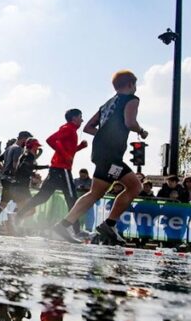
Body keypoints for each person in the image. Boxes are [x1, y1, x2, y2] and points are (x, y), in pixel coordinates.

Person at [52, 70, 148, 245]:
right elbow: (130, 122)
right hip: (112, 154)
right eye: (135, 84)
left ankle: (65, 225)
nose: (136, 88)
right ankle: (108, 224)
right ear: (130, 84)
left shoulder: (107, 104)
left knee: (96, 193)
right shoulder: (132, 99)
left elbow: (88, 127)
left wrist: (104, 136)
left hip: (100, 152)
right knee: (134, 186)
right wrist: (141, 131)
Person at [16, 109, 87, 223]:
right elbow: (51, 140)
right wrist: (65, 156)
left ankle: (18, 215)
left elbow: (67, 150)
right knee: (72, 198)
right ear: (74, 118)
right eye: (80, 117)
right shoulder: (68, 128)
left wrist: (80, 147)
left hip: (57, 168)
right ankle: (74, 230)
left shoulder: (70, 129)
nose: (82, 120)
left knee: (43, 196)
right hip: (63, 169)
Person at [0, 131, 32, 234]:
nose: (27, 143)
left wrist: (4, 171)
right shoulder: (18, 149)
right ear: (23, 138)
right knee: (24, 205)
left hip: (5, 180)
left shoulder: (10, 148)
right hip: (13, 181)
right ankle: (17, 229)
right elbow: (15, 165)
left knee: (2, 205)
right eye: (27, 140)